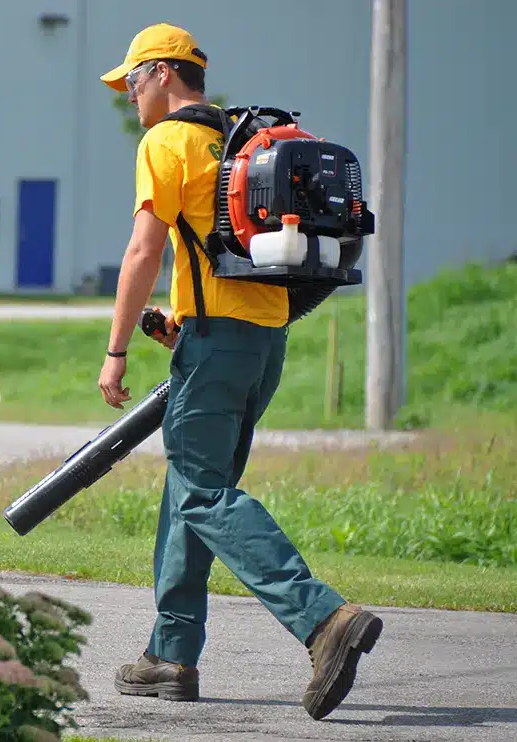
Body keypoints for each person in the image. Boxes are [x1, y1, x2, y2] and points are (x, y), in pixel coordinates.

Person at [94, 23, 383, 721]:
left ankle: (323, 620)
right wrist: (180, 322)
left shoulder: (167, 142)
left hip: (219, 347)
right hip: (258, 344)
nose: (130, 94)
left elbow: (142, 251)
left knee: (201, 494)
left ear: (164, 74)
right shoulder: (237, 141)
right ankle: (171, 655)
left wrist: (116, 349)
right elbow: (223, 257)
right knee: (195, 493)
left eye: (133, 79)